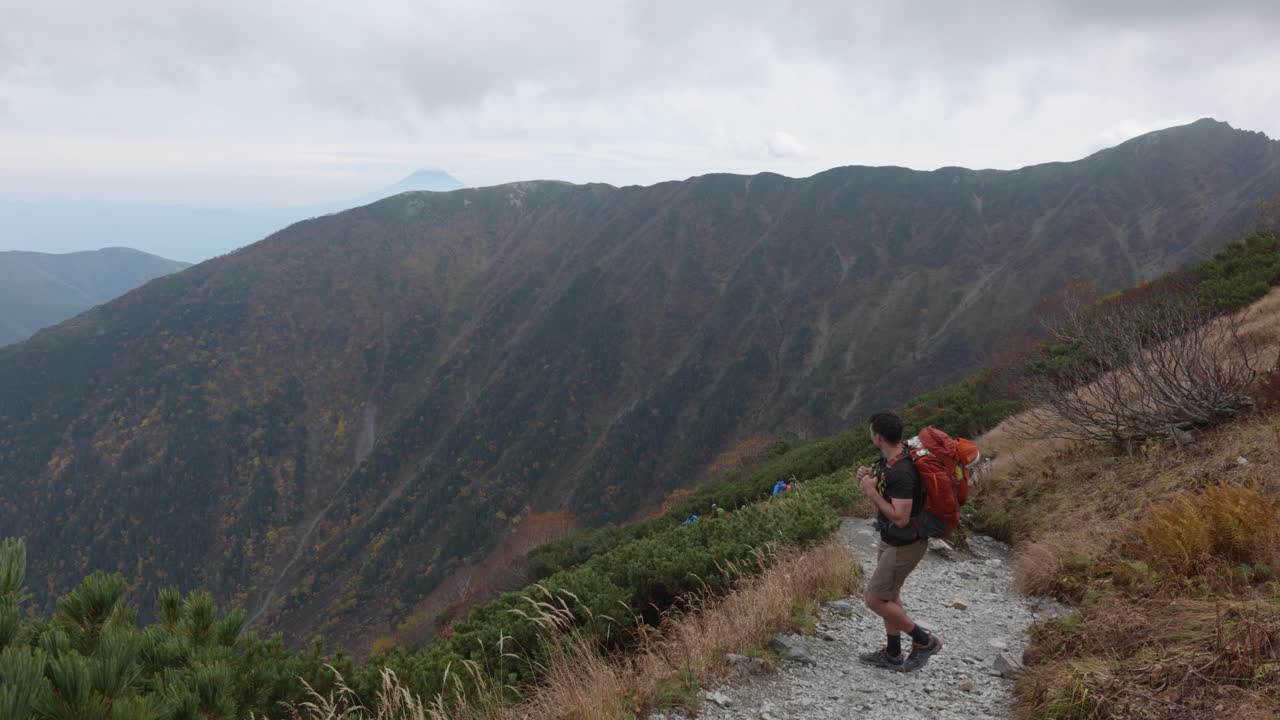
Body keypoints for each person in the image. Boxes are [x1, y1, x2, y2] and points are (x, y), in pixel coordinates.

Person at [855, 411, 943, 672]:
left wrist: (871, 493)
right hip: (892, 539)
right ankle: (893, 652)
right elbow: (886, 491)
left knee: (874, 599)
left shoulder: (902, 471)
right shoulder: (891, 459)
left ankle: (924, 641)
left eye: (872, 432)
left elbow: (901, 517)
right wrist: (865, 477)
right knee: (890, 595)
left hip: (905, 543)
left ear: (878, 437)